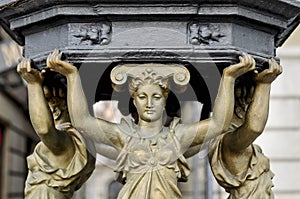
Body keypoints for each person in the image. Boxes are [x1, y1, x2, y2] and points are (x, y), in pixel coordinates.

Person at [46, 48, 255, 199]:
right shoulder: (124, 135)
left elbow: (218, 123)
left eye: (156, 97)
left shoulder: (177, 136)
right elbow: (82, 121)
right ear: (134, 101)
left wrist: (228, 78)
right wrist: (72, 76)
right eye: (142, 97)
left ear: (165, 101)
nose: (149, 104)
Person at [17, 58, 96, 199]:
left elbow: (45, 130)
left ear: (57, 106)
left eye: (45, 100)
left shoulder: (69, 142)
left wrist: (34, 84)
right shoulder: (80, 142)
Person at [208, 58, 282, 199]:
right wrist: (264, 85)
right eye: (254, 100)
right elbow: (254, 127)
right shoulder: (228, 144)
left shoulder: (242, 146)